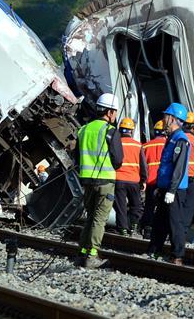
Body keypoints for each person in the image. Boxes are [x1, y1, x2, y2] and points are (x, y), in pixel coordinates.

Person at [76, 93, 124, 268]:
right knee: (99, 219)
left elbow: (77, 157)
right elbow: (118, 159)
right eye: (116, 112)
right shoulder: (110, 131)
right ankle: (92, 255)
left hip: (86, 181)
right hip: (105, 181)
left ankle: (82, 252)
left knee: (90, 217)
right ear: (110, 112)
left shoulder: (83, 129)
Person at [148, 102, 194, 265]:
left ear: (172, 118)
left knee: (175, 223)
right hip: (165, 188)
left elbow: (179, 167)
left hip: (174, 190)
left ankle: (177, 255)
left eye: (166, 116)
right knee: (159, 221)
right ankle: (154, 250)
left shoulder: (181, 140)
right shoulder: (172, 139)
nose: (164, 119)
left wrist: (172, 190)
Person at [113, 117, 146, 236]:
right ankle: (133, 226)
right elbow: (143, 165)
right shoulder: (138, 145)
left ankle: (122, 229)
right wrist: (144, 180)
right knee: (136, 205)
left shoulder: (115, 143)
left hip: (118, 180)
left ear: (120, 129)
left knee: (120, 206)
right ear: (131, 131)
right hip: (134, 181)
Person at [140, 120, 167, 238]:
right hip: (163, 181)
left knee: (149, 206)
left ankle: (147, 229)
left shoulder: (145, 146)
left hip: (150, 181)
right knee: (163, 207)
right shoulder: (169, 144)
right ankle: (161, 231)